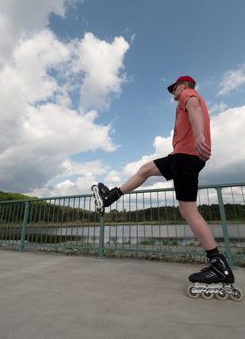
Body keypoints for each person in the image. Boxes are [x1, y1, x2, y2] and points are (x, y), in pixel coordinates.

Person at [93, 75, 235, 285]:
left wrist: (198, 136)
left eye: (174, 88)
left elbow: (194, 107)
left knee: (188, 210)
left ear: (183, 85)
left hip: (186, 158)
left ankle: (219, 266)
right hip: (180, 157)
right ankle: (110, 197)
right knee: (146, 169)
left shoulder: (189, 94)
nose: (173, 93)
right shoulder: (187, 99)